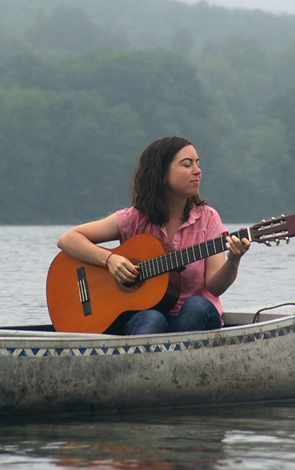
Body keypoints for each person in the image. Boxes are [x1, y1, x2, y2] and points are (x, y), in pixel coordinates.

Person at [57, 136, 250, 335]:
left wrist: (233, 260)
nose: (197, 170)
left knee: (196, 307)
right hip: (145, 317)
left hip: (197, 319)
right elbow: (68, 239)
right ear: (162, 175)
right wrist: (110, 260)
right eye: (187, 164)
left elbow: (215, 287)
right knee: (152, 318)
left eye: (198, 164)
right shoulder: (135, 219)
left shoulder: (208, 218)